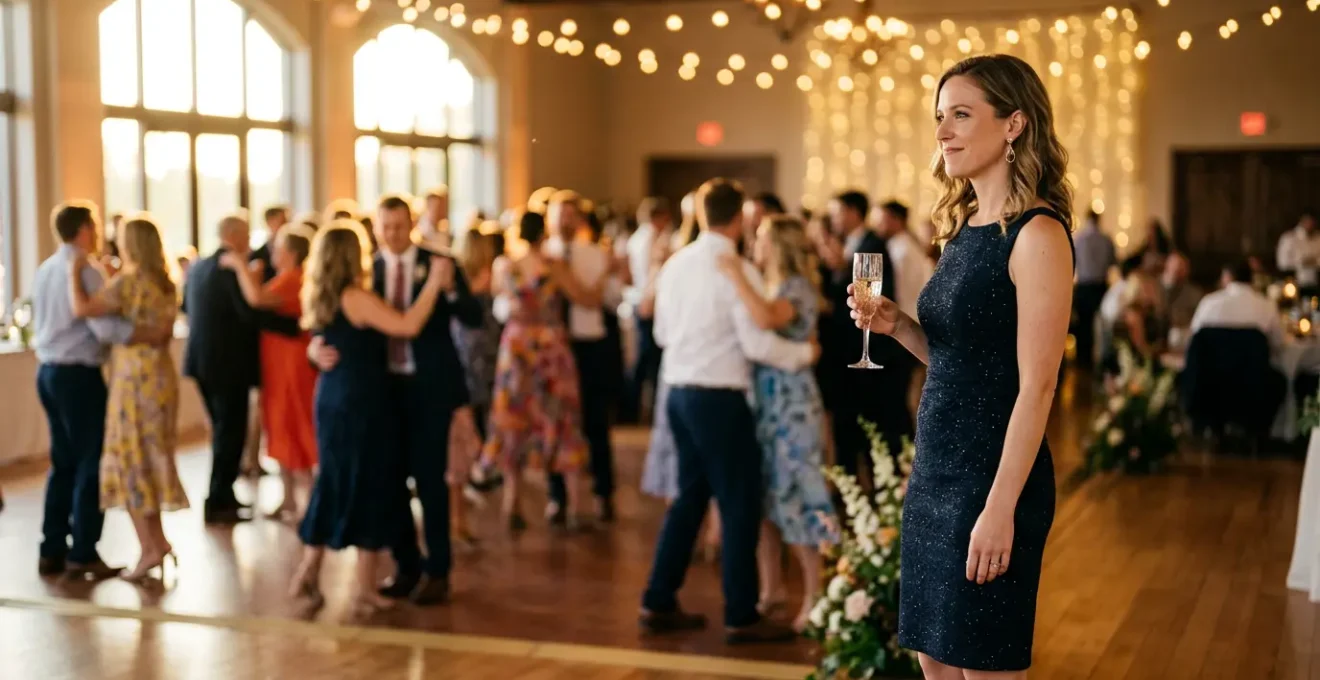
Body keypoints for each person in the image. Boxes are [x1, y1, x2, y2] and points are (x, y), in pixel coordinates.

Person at [849, 54, 1074, 676]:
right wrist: (897, 326)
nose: (943, 131)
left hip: (994, 478)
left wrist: (1001, 506)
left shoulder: (1037, 235)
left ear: (1013, 125)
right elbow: (957, 362)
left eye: (962, 115)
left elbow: (1039, 386)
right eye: (940, 117)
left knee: (983, 664)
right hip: (937, 467)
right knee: (936, 663)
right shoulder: (963, 227)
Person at [639, 178, 819, 645]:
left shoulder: (675, 265)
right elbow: (758, 343)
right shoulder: (735, 268)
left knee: (690, 498)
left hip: (677, 391)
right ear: (739, 218)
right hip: (719, 397)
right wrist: (805, 356)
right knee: (740, 502)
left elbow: (659, 333)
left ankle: (658, 598)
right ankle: (741, 613)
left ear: (699, 214)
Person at [311, 195, 483, 605]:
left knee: (429, 480)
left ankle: (438, 569)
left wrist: (453, 288)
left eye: (400, 227)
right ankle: (406, 565)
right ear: (377, 229)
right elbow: (332, 319)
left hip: (427, 390)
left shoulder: (440, 262)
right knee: (389, 480)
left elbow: (473, 317)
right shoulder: (368, 269)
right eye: (385, 228)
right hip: (380, 392)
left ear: (412, 224)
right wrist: (314, 349)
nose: (393, 235)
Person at [290, 220, 448, 615]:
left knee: (335, 480)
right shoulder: (355, 297)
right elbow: (407, 326)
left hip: (333, 397)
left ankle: (309, 569)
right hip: (360, 401)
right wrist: (434, 284)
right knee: (368, 483)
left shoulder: (321, 295)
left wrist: (313, 352)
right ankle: (361, 586)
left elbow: (320, 340)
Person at [31, 201, 171, 580]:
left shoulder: (46, 268)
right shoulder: (86, 271)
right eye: (93, 226)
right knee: (92, 461)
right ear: (83, 229)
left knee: (62, 463)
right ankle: (84, 551)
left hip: (47, 371)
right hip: (78, 375)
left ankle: (52, 548)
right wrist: (148, 333)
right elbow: (105, 328)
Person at [716, 215, 837, 632]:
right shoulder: (769, 287)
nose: (756, 244)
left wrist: (735, 276)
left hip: (793, 407)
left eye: (764, 238)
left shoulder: (796, 289)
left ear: (780, 246)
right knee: (767, 499)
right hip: (765, 404)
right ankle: (771, 590)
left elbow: (767, 319)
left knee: (800, 497)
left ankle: (815, 593)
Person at [70, 216, 189, 583]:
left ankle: (149, 547)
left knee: (129, 461)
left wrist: (75, 273)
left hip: (134, 382)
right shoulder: (165, 283)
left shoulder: (128, 282)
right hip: (161, 378)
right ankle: (158, 541)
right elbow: (163, 332)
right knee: (152, 457)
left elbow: (83, 309)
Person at [182, 215, 301, 524]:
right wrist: (294, 327)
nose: (250, 241)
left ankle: (223, 494)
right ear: (233, 235)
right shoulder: (230, 269)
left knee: (224, 431)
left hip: (201, 362)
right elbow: (251, 313)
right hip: (226, 365)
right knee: (229, 433)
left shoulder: (200, 267)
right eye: (246, 235)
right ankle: (219, 499)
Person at [481, 210, 594, 531]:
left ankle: (511, 502)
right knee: (562, 417)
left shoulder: (505, 266)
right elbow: (583, 297)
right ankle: (574, 506)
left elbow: (499, 302)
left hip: (517, 346)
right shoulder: (553, 266)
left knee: (515, 418)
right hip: (549, 346)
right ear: (543, 232)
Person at [224, 225, 318, 521]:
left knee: (296, 428)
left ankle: (309, 502)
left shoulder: (295, 279)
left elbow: (256, 299)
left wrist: (239, 265)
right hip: (276, 368)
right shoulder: (283, 278)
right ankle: (289, 498)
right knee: (280, 428)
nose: (273, 252)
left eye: (278, 247)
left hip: (293, 369)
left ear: (291, 253)